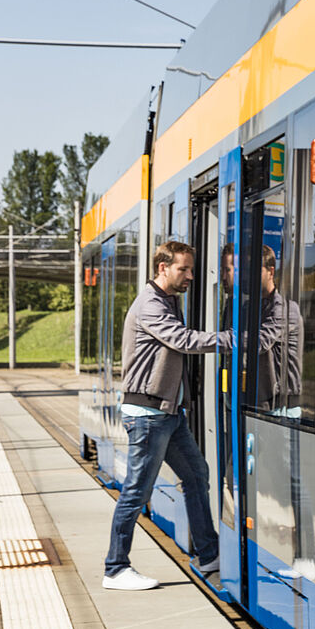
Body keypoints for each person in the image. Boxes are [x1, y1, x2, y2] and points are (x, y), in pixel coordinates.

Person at [104, 241, 233, 591]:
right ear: (163, 267)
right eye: (184, 269)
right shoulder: (151, 304)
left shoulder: (168, 300)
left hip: (167, 414)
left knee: (197, 475)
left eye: (191, 269)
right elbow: (183, 341)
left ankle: (209, 554)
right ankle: (115, 568)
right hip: (148, 414)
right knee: (136, 491)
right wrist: (231, 340)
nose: (190, 275)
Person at [253, 245, 304, 418]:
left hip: (284, 408)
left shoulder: (286, 309)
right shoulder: (253, 307)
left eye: (255, 270)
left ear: (271, 271)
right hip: (262, 403)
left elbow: (260, 342)